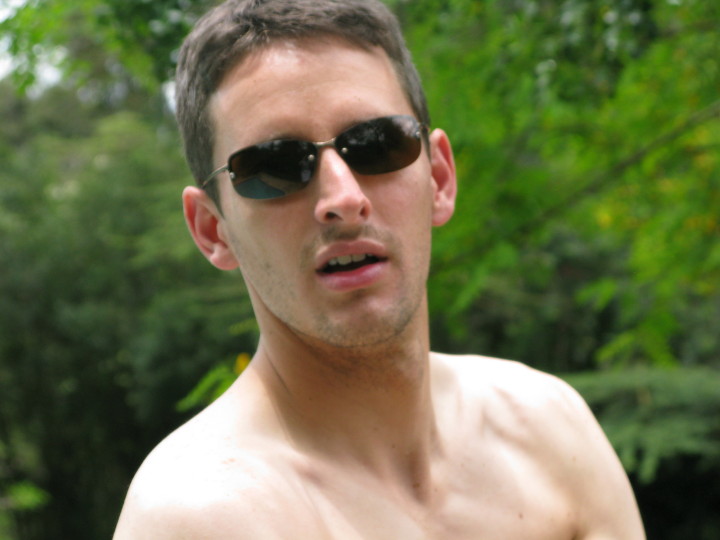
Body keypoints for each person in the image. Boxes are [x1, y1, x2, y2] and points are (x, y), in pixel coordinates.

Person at [114, 0, 646, 538]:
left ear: (439, 178)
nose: (343, 198)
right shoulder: (198, 516)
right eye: (276, 166)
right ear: (212, 229)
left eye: (376, 144)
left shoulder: (551, 431)